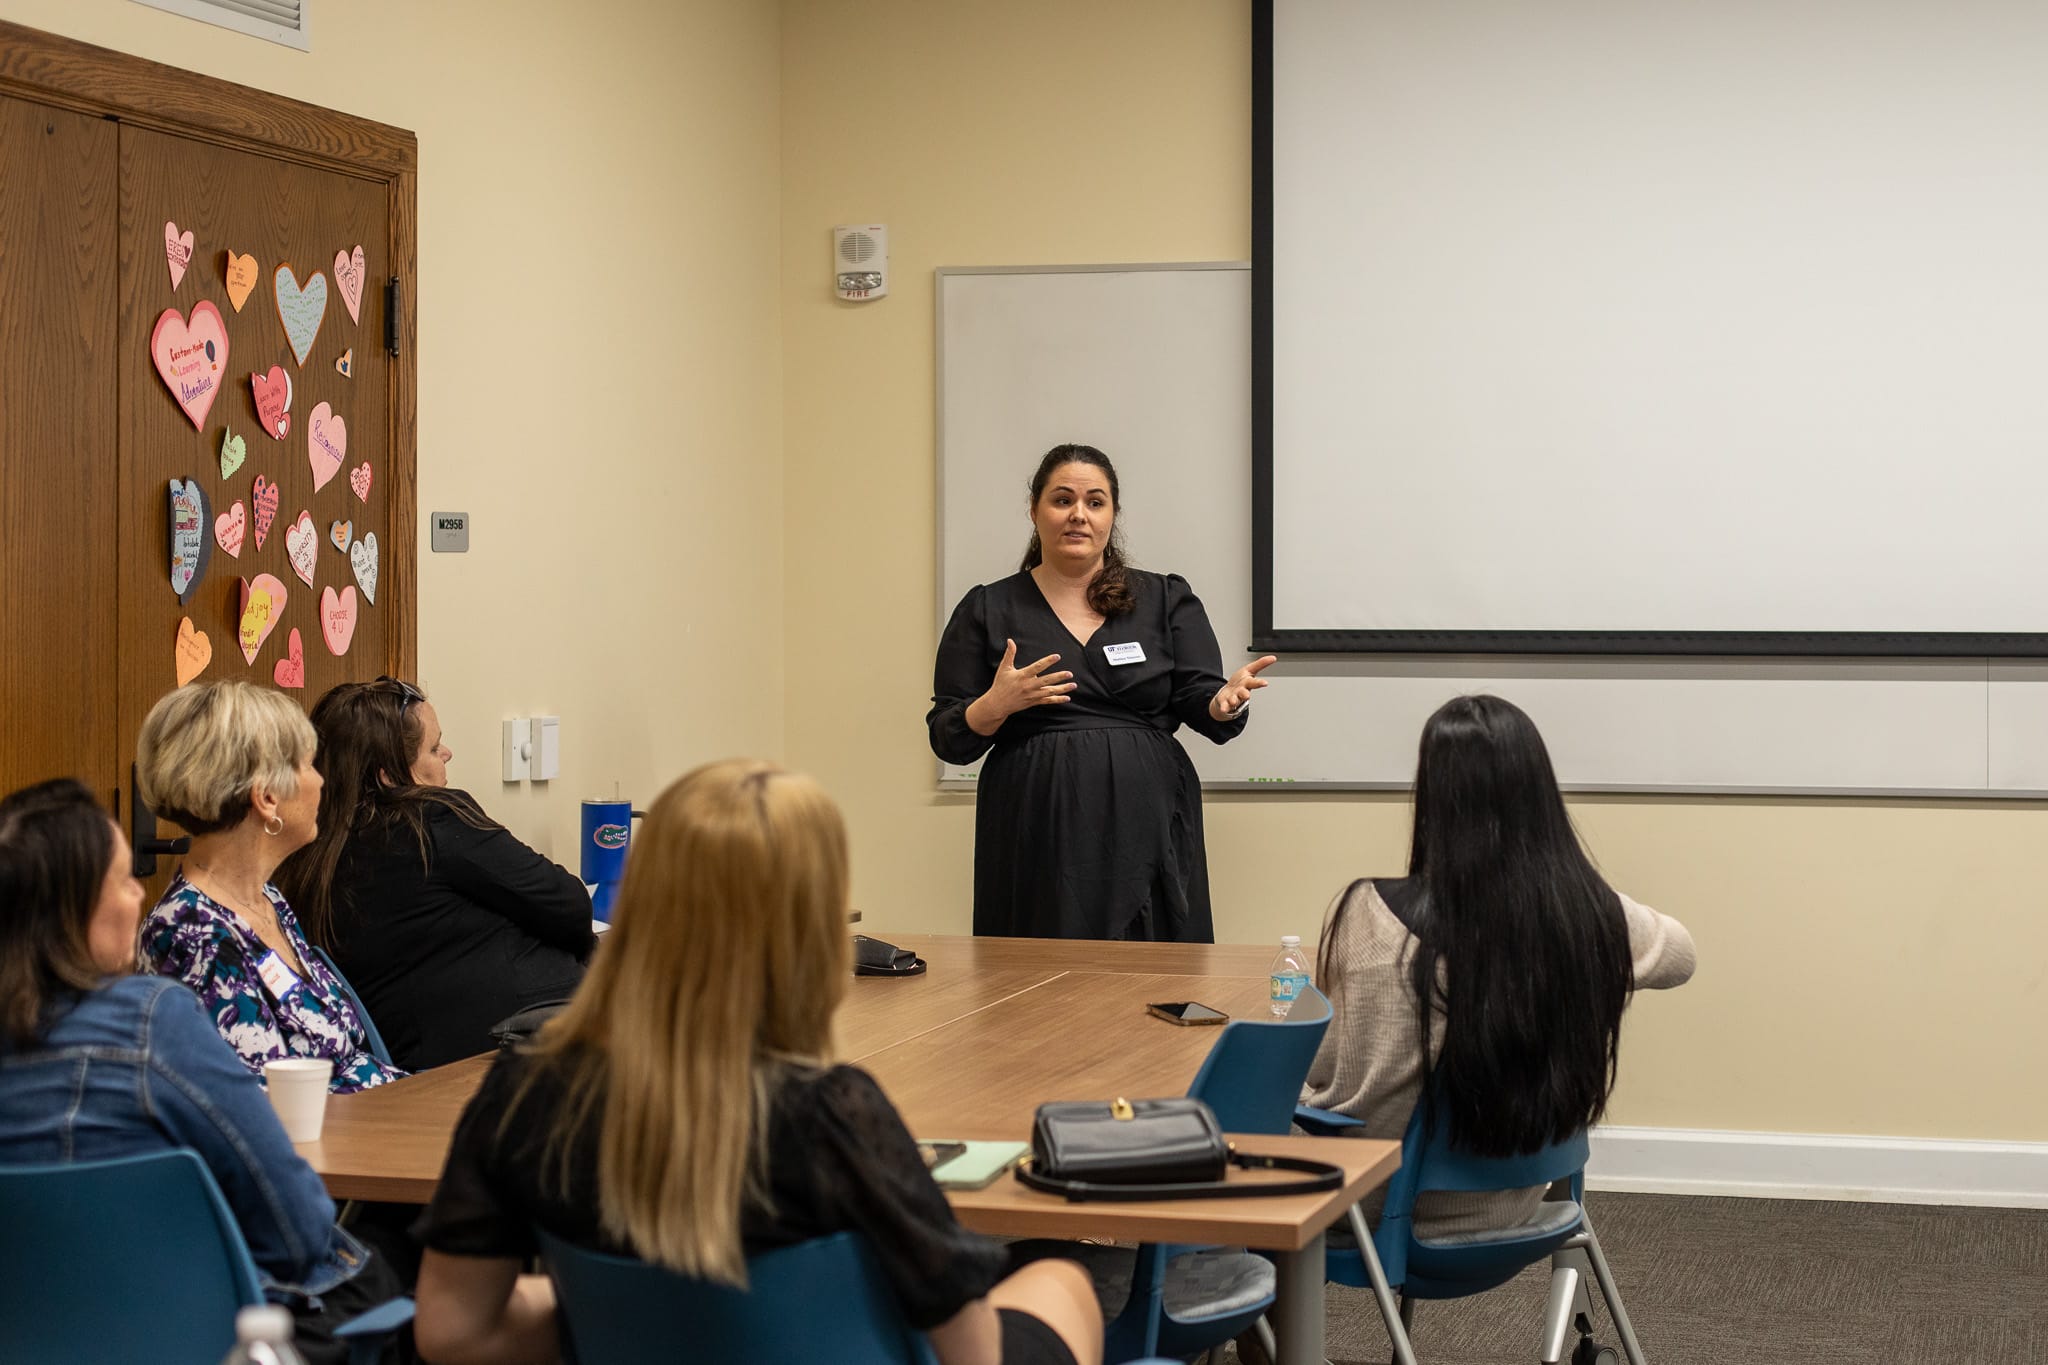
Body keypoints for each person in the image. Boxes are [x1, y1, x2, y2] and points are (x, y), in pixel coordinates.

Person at [410, 759, 1104, 1365]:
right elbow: (973, 1354)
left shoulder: (523, 1093)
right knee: (1062, 1282)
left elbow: (451, 1333)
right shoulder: (834, 1113)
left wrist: (629, 1315)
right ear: (811, 926)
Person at [0, 779, 401, 1363]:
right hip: (200, 1337)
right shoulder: (153, 1024)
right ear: (72, 910)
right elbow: (295, 1228)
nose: (140, 897)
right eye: (120, 880)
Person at [1301, 694, 1697, 1238]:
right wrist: (1584, 904)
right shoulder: (1587, 916)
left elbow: (1328, 1072)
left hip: (1382, 1204)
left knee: (1228, 1147)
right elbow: (1681, 956)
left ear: (1434, 794)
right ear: (1539, 793)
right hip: (1523, 1196)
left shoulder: (1370, 913)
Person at [927, 443, 1274, 942]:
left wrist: (1221, 703)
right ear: (1034, 510)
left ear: (1113, 513)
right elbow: (948, 736)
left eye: (1095, 502)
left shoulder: (1164, 598)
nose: (1078, 516)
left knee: (1154, 968)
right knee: (1041, 973)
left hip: (1148, 818)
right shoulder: (988, 607)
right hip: (1036, 824)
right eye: (1062, 500)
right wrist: (992, 706)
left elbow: (1199, 694)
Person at [275, 678, 593, 1071]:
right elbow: (570, 904)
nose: (447, 753)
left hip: (418, 1053)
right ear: (388, 775)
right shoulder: (431, 821)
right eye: (433, 747)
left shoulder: (306, 857)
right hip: (510, 1048)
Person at [135, 680, 400, 1093]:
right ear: (267, 798)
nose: (322, 782)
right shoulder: (191, 933)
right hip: (336, 1149)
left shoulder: (266, 898)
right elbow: (263, 1107)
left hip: (382, 1117)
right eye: (310, 765)